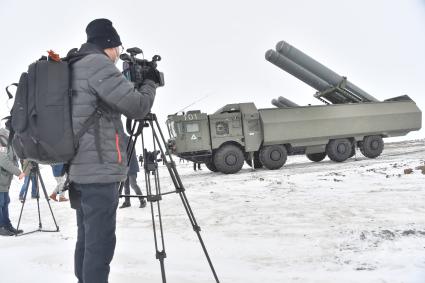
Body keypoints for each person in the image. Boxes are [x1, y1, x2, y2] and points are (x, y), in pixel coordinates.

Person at [68, 18, 158, 283]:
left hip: (80, 170)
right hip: (99, 171)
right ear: (109, 45)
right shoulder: (98, 64)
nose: (119, 55)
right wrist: (149, 83)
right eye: (118, 48)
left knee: (86, 239)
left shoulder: (74, 65)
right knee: (100, 244)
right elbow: (138, 106)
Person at [0, 128, 25, 236]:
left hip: (5, 180)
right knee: (1, 204)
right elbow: (3, 160)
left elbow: (14, 159)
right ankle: (1, 227)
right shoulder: (2, 140)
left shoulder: (10, 140)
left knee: (5, 203)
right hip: (1, 180)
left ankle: (7, 225)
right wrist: (18, 172)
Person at [119, 135, 146, 209]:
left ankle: (142, 200)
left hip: (131, 165)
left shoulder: (128, 139)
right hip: (124, 167)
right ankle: (127, 202)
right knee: (125, 185)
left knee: (133, 184)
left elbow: (129, 151)